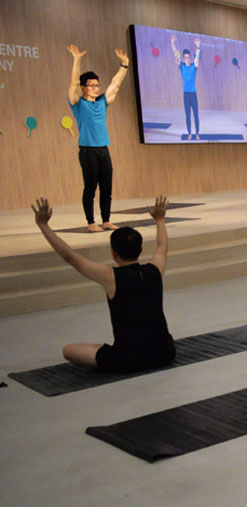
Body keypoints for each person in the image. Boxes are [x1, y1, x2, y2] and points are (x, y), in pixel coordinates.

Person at [32, 196, 175, 371]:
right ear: (140, 250)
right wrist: (160, 219)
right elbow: (162, 246)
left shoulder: (110, 276)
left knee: (69, 350)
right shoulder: (155, 270)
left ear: (114, 253)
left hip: (129, 359)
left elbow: (70, 257)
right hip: (165, 353)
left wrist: (43, 225)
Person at [67, 44, 130, 233]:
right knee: (90, 188)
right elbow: (73, 84)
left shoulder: (102, 102)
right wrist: (77, 60)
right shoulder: (78, 103)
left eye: (97, 85)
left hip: (104, 149)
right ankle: (90, 222)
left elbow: (115, 84)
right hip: (87, 151)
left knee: (107, 187)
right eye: (92, 86)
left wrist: (124, 65)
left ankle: (106, 220)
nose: (96, 88)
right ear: (84, 88)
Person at [170, 34, 201, 141]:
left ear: (190, 58)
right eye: (185, 58)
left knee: (196, 115)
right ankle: (189, 133)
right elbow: (175, 55)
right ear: (184, 58)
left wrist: (198, 46)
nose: (187, 59)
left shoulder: (194, 66)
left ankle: (197, 133)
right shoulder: (182, 66)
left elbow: (197, 59)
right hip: (186, 95)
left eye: (188, 58)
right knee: (187, 115)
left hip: (193, 94)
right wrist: (172, 43)